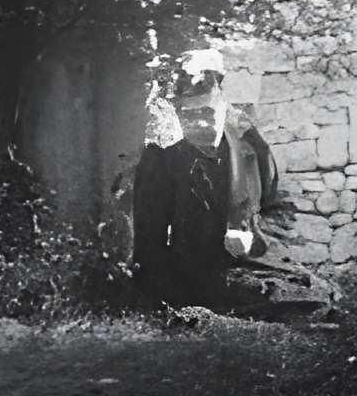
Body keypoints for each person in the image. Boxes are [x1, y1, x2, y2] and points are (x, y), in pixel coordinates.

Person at [130, 64, 323, 321]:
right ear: (178, 115)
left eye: (207, 112)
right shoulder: (161, 163)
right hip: (193, 273)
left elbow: (280, 209)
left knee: (317, 293)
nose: (199, 122)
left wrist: (253, 235)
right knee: (288, 303)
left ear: (223, 109)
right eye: (189, 115)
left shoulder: (252, 152)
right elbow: (149, 245)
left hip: (253, 263)